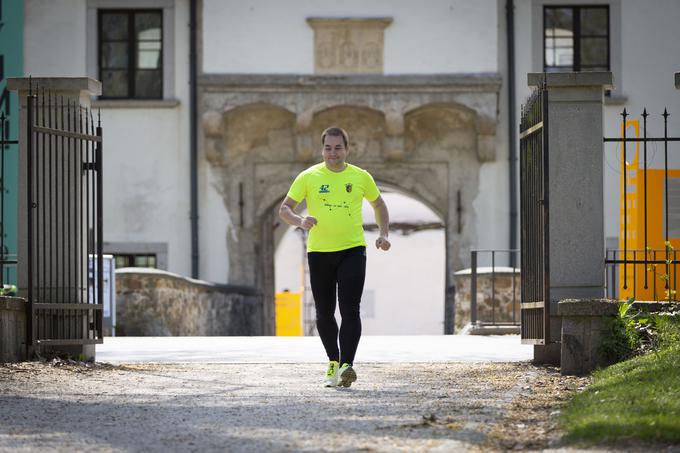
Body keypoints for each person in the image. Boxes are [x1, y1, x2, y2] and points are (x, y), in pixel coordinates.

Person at [279, 126, 391, 388]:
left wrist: (384, 233)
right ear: (322, 150)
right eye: (328, 148)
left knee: (350, 309)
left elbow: (379, 205)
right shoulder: (308, 177)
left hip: (353, 249)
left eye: (338, 147)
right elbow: (284, 209)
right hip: (319, 253)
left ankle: (347, 366)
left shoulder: (361, 176)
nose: (333, 153)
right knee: (324, 313)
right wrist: (299, 220)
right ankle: (333, 361)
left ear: (347, 149)